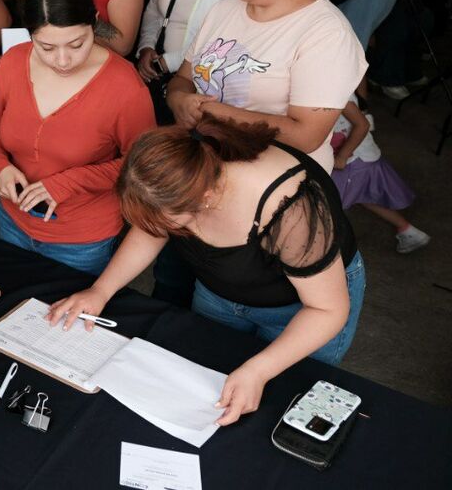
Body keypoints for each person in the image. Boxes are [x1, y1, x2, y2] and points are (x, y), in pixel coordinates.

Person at [50, 115, 365, 427]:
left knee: (279, 402)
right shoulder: (182, 176)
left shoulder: (291, 210)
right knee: (208, 389)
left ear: (207, 198)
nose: (162, 229)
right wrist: (101, 290)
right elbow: (153, 229)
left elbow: (327, 309)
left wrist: (259, 369)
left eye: (174, 223)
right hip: (220, 291)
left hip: (302, 309)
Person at [165, 0, 367, 173]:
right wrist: (178, 99)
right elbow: (183, 79)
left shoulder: (326, 32)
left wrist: (208, 110)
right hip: (207, 161)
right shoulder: (224, 9)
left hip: (275, 180)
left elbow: (306, 135)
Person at [0, 0, 154, 275]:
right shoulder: (12, 63)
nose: (63, 60)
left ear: (95, 22)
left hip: (82, 239)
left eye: (77, 44)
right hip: (12, 220)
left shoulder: (126, 87)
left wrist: (66, 184)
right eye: (46, 47)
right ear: (30, 34)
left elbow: (142, 165)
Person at [329, 97, 429, 254]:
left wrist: (342, 157)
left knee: (329, 205)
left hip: (352, 161)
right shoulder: (342, 82)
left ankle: (328, 252)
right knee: (364, 196)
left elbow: (362, 125)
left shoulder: (332, 90)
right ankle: (407, 230)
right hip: (361, 157)